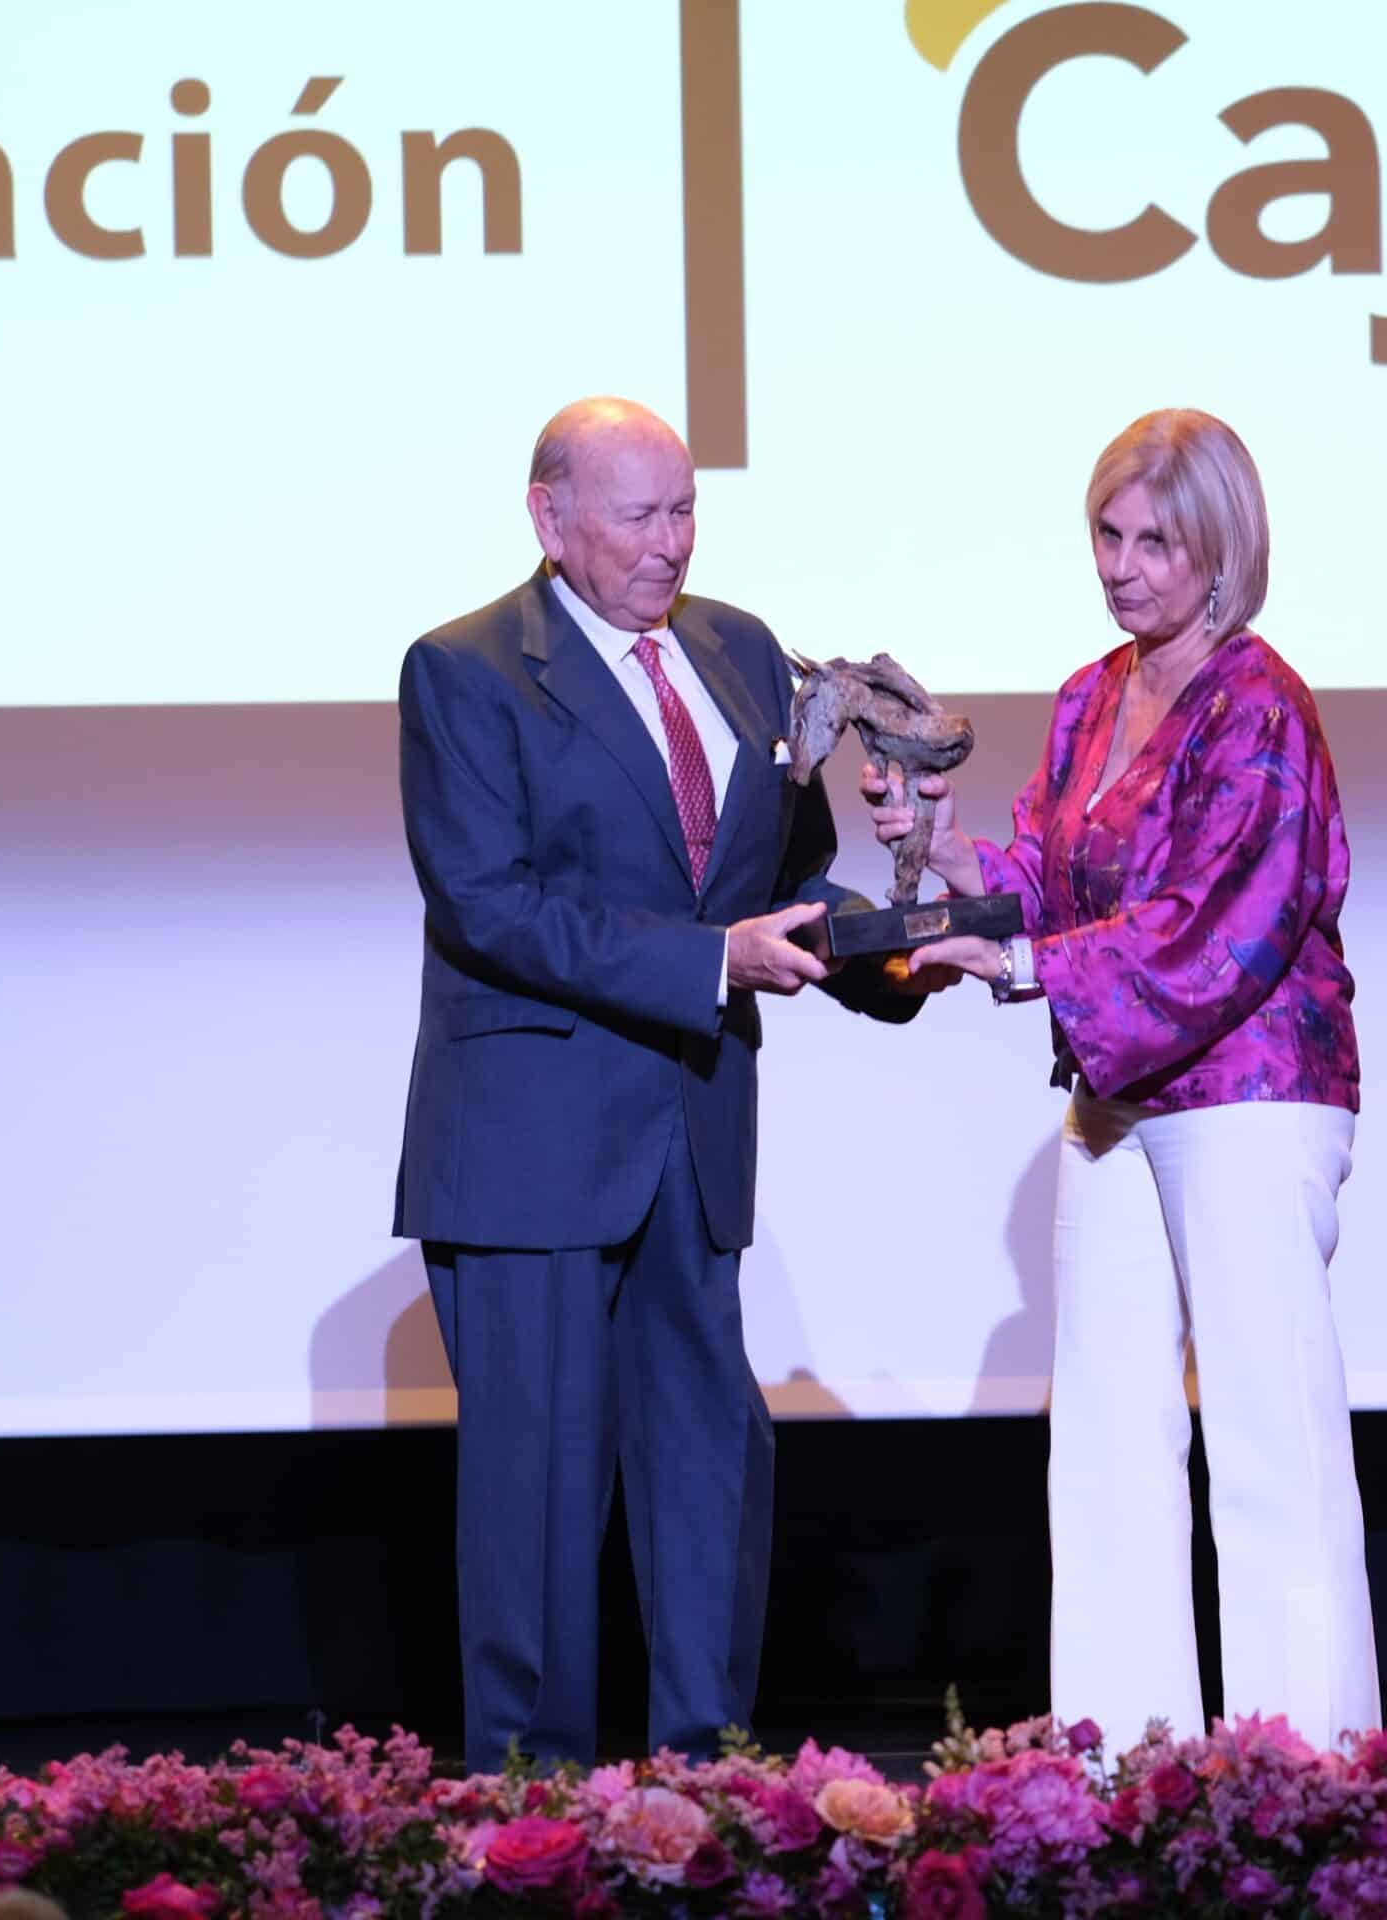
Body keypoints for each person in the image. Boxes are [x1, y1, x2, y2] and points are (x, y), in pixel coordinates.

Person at [395, 396, 941, 1772]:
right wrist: (712, 962)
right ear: (551, 517)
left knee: (708, 1476)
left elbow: (778, 885)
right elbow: (487, 906)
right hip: (529, 1151)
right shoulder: (464, 670)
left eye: (686, 508)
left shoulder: (741, 651)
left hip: (693, 1141)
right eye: (639, 516)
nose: (670, 542)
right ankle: (533, 1807)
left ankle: (712, 1784)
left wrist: (899, 944)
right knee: (533, 1501)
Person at [870, 407, 1375, 1751]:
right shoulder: (1095, 695)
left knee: (1269, 1437)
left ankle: (1314, 1773)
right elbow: (1039, 874)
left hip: (1252, 1096)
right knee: (1102, 1439)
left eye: (1158, 541)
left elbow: (1223, 925)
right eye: (1109, 532)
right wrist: (946, 856)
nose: (1125, 565)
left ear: (1223, 554)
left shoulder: (1263, 705)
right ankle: (1120, 1768)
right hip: (1118, 1096)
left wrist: (1028, 966)